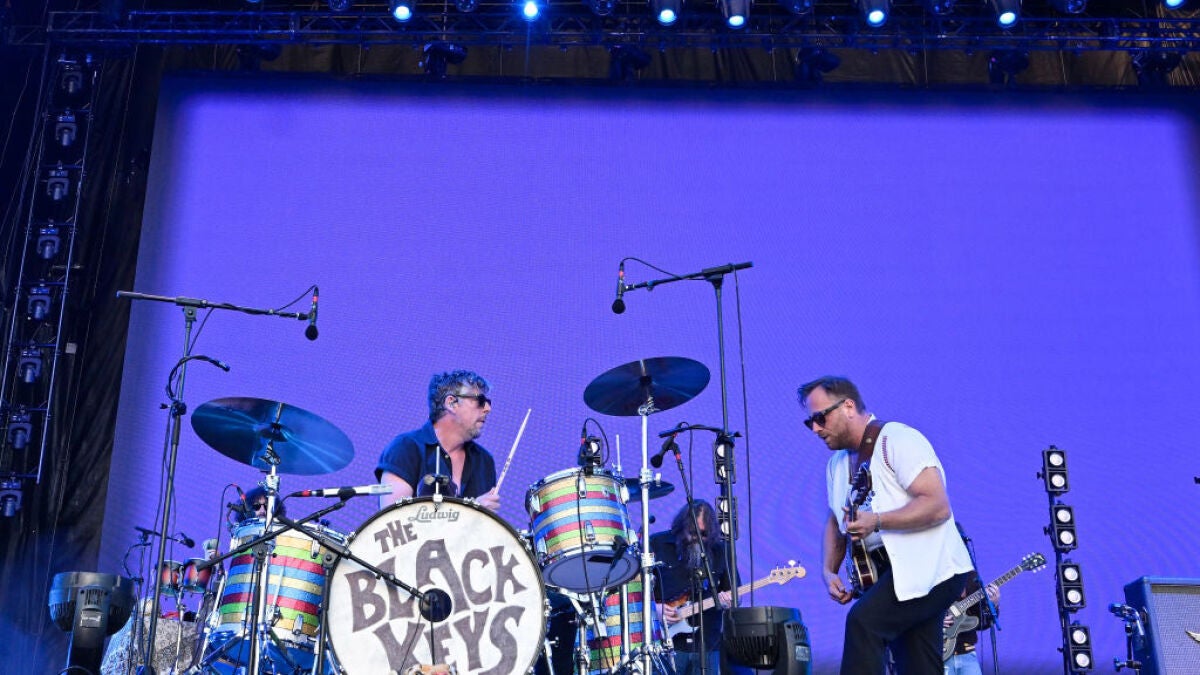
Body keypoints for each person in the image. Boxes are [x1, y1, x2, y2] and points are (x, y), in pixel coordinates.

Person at [799, 375, 974, 675]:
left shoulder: (897, 439)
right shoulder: (836, 465)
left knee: (863, 624)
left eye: (820, 417)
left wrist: (878, 520)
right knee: (917, 663)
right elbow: (835, 520)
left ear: (848, 406)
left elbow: (937, 506)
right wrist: (828, 571)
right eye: (809, 422)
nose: (815, 428)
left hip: (933, 568)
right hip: (893, 574)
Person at [376, 369, 500, 512]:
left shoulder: (484, 461)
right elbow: (393, 519)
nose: (488, 408)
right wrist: (471, 511)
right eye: (480, 401)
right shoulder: (405, 448)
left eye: (488, 402)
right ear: (451, 403)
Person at [650, 500, 735, 675]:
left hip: (707, 644)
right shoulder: (657, 544)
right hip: (665, 644)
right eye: (693, 532)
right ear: (682, 527)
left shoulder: (722, 551)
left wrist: (728, 601)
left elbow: (734, 593)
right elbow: (636, 591)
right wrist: (653, 609)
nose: (697, 538)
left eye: (704, 534)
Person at [943, 525, 1000, 675]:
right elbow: (914, 610)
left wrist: (993, 605)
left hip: (967, 654)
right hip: (938, 653)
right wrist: (935, 621)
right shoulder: (931, 575)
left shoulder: (970, 577)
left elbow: (981, 623)